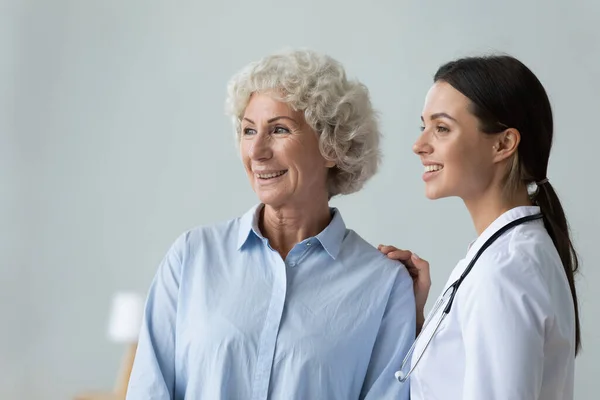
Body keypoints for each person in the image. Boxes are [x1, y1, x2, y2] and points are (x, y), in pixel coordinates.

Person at [126, 49, 416, 400]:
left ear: (332, 145)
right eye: (249, 131)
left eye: (279, 129)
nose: (257, 151)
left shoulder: (383, 285)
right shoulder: (192, 256)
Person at [379, 54, 580, 400]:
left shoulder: (505, 270)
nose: (419, 145)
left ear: (503, 144)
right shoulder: (510, 253)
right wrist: (418, 321)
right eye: (423, 126)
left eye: (441, 128)